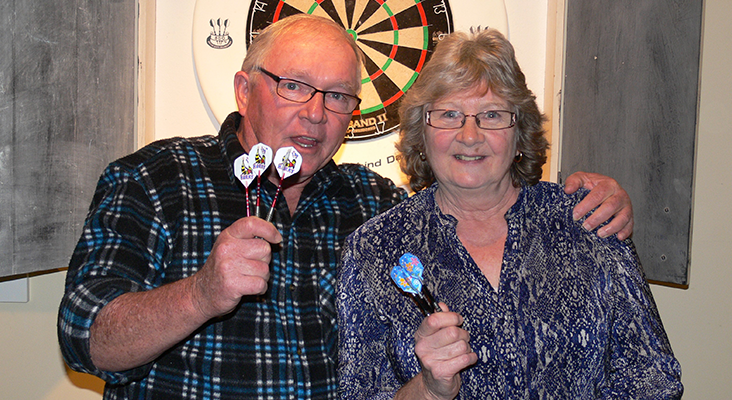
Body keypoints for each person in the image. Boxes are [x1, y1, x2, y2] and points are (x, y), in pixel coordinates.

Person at [58, 14, 634, 400]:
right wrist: (201, 293)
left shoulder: (373, 205)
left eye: (337, 96)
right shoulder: (155, 178)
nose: (315, 113)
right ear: (243, 89)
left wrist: (586, 199)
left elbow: (477, 198)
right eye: (293, 86)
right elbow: (85, 339)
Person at [337, 28, 682, 399]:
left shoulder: (588, 220)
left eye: (492, 114)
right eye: (449, 114)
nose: (470, 135)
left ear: (520, 133)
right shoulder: (375, 249)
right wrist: (429, 387)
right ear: (421, 134)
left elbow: (654, 380)